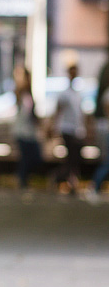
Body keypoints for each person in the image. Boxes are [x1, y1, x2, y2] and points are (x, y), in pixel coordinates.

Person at [46, 62, 86, 195]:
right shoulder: (65, 93)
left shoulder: (77, 93)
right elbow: (58, 110)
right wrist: (52, 126)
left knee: (74, 157)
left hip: (76, 129)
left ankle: (67, 179)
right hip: (66, 129)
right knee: (71, 156)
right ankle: (63, 178)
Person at [12, 66, 42, 190]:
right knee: (27, 157)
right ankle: (22, 179)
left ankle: (23, 178)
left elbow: (32, 114)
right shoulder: (20, 93)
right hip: (22, 132)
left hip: (29, 132)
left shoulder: (29, 94)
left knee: (34, 157)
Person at [85, 59, 109, 203]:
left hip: (104, 130)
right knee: (107, 162)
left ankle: (95, 186)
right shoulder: (107, 93)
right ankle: (94, 186)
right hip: (106, 131)